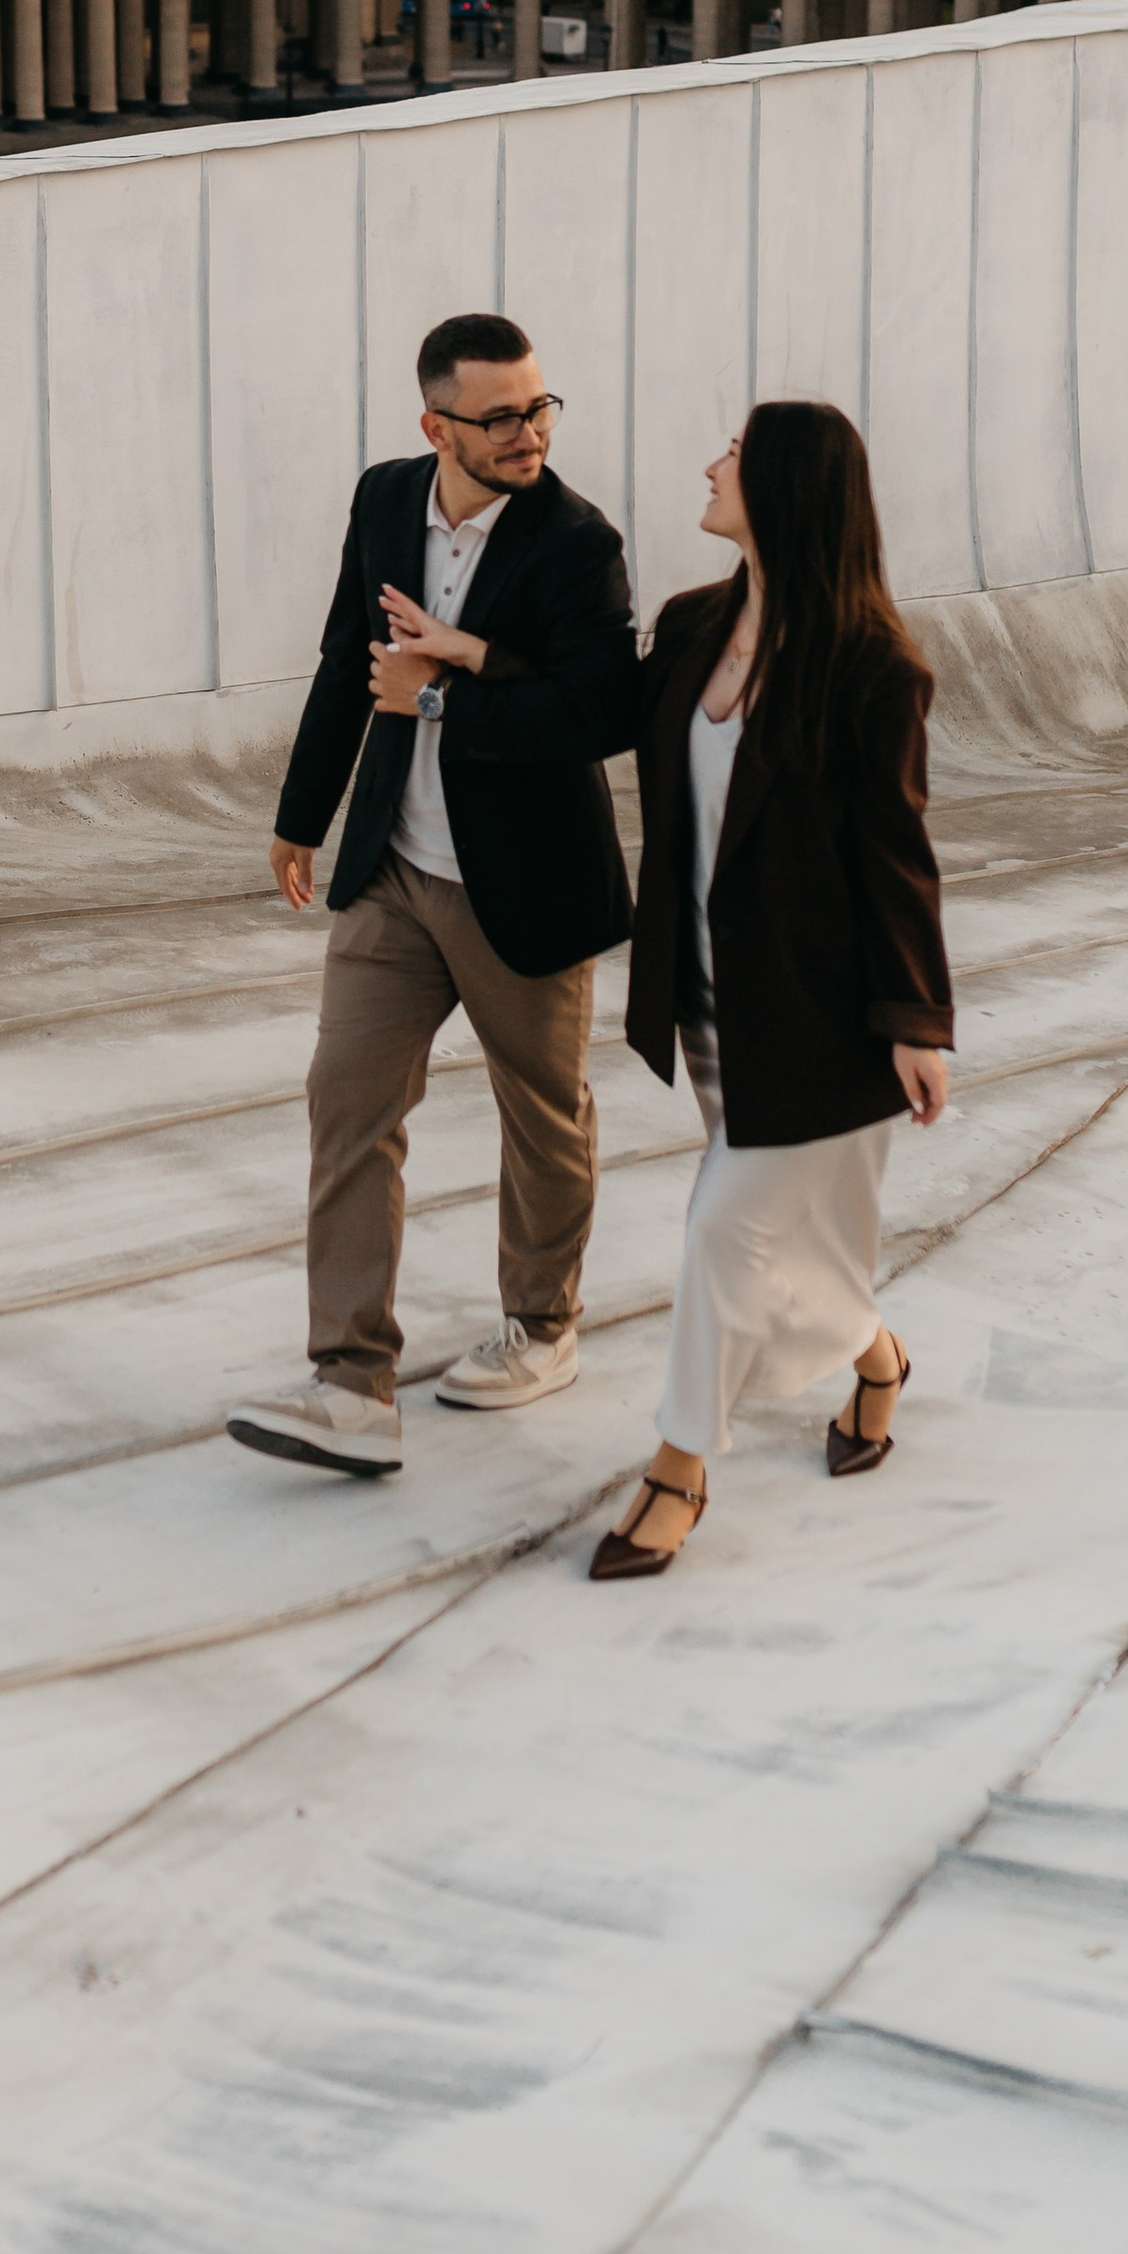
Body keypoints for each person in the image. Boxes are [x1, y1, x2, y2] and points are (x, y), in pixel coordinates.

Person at [226, 312, 640, 1477]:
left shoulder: (576, 543)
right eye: (499, 416)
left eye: (539, 407)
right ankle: (350, 1383)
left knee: (541, 1114)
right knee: (346, 1106)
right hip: (393, 874)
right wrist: (301, 814)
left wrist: (453, 685)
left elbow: (599, 710)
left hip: (522, 882)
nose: (528, 432)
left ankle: (542, 1326)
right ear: (435, 425)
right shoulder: (384, 500)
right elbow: (346, 661)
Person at [588, 399, 953, 1579]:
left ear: (787, 486)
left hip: (819, 1019)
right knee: (769, 1239)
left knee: (720, 1233)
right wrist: (469, 660)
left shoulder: (872, 670)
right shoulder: (696, 624)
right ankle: (875, 1352)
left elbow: (895, 858)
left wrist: (915, 1023)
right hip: (708, 1007)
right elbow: (602, 720)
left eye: (735, 455)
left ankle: (677, 1470)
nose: (710, 467)